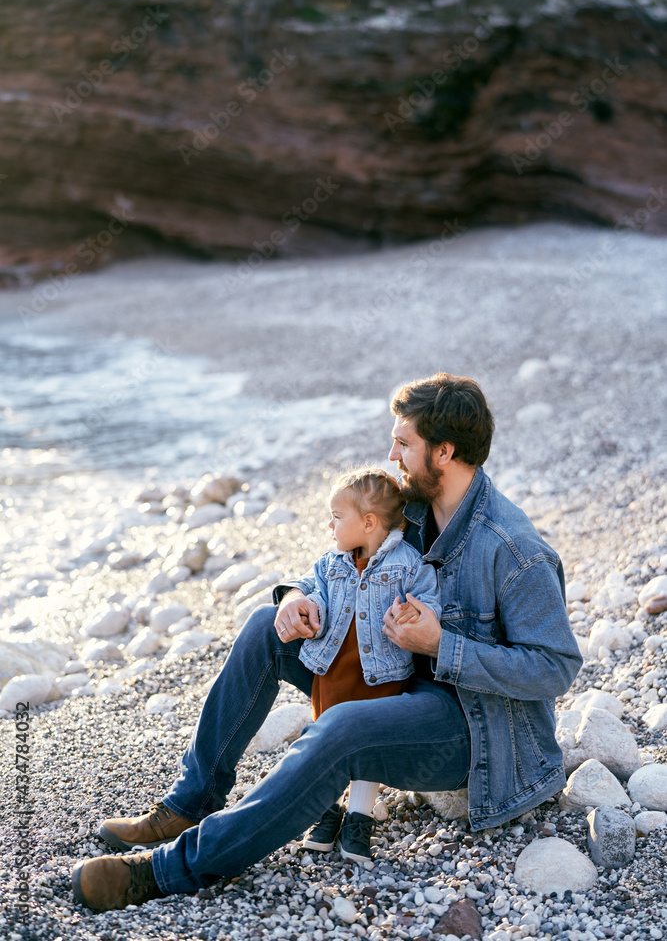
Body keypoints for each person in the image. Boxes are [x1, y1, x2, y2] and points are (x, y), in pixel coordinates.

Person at [72, 372, 583, 912]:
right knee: (262, 626)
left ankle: (170, 870)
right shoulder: (405, 509)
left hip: (469, 727)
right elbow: (336, 566)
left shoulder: (514, 549)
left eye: (404, 443)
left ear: (445, 452)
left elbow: (555, 667)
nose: (392, 454)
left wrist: (440, 645)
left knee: (342, 728)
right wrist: (297, 596)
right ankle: (189, 802)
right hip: (391, 674)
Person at [296, 465, 441, 862]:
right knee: (325, 734)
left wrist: (419, 614)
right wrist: (307, 605)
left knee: (368, 748)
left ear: (369, 522)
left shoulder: (407, 562)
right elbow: (314, 590)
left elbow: (428, 598)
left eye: (337, 518)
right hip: (334, 668)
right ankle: (326, 811)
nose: (330, 525)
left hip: (381, 672)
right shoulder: (332, 561)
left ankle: (359, 820)